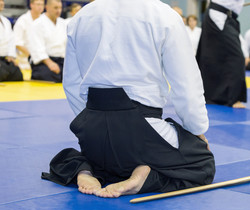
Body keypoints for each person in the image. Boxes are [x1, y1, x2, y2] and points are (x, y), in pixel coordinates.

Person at [41, 0, 215, 198]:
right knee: (203, 163)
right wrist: (197, 131)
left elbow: (71, 83)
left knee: (98, 160)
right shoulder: (163, 15)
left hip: (93, 129)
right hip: (140, 129)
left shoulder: (81, 16)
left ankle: (85, 170)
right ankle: (144, 176)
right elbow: (186, 83)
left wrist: (87, 122)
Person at [196, 0, 246, 108]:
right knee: (236, 57)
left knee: (215, 57)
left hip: (228, 17)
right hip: (218, 16)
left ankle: (215, 95)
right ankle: (233, 98)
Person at [29, 0, 67, 82]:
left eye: (60, 8)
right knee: (48, 75)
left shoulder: (63, 23)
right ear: (47, 7)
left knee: (72, 76)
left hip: (61, 60)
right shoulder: (37, 24)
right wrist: (50, 63)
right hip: (44, 62)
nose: (58, 11)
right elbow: (37, 47)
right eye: (55, 8)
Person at [13, 0, 44, 70]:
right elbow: (17, 43)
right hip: (24, 61)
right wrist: (31, 55)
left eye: (42, 5)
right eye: (38, 4)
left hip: (42, 58)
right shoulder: (22, 21)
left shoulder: (44, 20)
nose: (40, 7)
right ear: (31, 5)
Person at [0, 0, 23, 82]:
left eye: (2, 1)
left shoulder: (6, 21)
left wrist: (11, 56)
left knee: (18, 75)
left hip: (4, 59)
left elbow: (11, 40)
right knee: (2, 73)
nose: (1, 3)